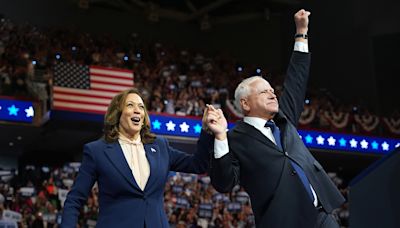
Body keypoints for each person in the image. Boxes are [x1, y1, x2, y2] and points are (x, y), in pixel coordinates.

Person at [205, 9, 345, 228]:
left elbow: (296, 80)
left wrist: (301, 32)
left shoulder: (284, 119)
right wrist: (221, 136)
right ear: (245, 104)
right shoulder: (234, 138)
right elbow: (224, 183)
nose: (272, 94)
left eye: (272, 90)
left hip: (322, 218)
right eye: (263, 92)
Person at [61, 88, 213, 227]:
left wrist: (206, 130)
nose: (137, 111)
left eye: (141, 107)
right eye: (130, 105)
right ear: (117, 113)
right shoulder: (97, 151)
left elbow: (198, 165)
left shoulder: (160, 146)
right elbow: (75, 200)